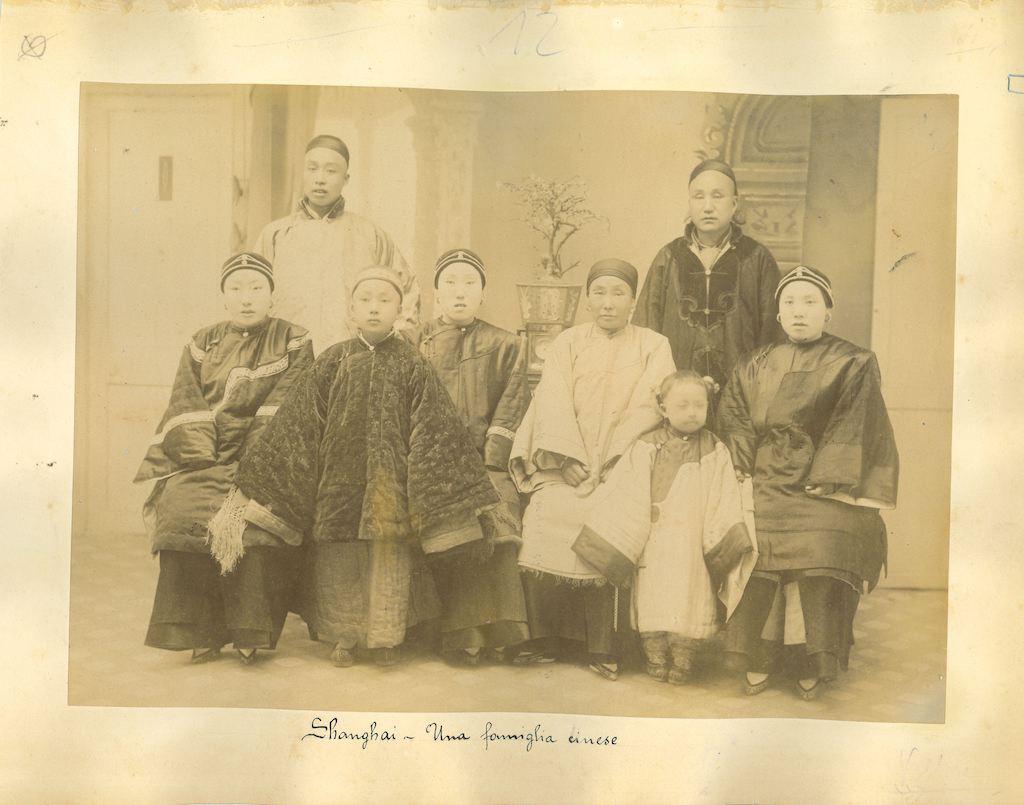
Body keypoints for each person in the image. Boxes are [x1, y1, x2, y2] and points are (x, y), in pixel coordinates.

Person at [207, 266, 499, 668]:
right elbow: (298, 424)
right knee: (340, 565)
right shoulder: (333, 360)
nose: (374, 308)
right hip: (337, 487)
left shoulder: (413, 364)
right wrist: (260, 479)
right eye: (365, 300)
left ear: (400, 308)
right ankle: (343, 637)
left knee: (387, 562)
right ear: (351, 309)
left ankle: (384, 639)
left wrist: (426, 486)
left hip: (391, 486)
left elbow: (435, 429)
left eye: (384, 300)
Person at [717, 265, 900, 700]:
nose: (799, 311)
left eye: (810, 302)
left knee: (821, 544)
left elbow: (853, 424)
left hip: (822, 485)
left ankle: (813, 655)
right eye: (790, 303)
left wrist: (828, 476)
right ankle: (758, 652)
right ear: (778, 315)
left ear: (828, 311)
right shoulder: (753, 363)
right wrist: (743, 465)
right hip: (763, 476)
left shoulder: (855, 362)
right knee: (753, 539)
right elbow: (735, 417)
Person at [134, 251, 314, 665]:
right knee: (182, 508)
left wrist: (251, 466)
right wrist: (204, 459)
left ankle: (249, 631)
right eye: (236, 288)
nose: (246, 298)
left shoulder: (294, 339)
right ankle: (198, 629)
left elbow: (289, 407)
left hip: (267, 458)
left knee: (250, 518)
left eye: (256, 288)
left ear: (273, 295)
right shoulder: (202, 342)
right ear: (223, 296)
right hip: (206, 455)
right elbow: (185, 401)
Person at [509, 259, 677, 680]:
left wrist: (615, 460)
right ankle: (546, 637)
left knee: (610, 521)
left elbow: (649, 405)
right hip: (568, 463)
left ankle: (602, 644)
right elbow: (552, 400)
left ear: (633, 301)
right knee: (546, 515)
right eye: (598, 292)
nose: (607, 303)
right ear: (586, 299)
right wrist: (565, 460)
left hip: (623, 464)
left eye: (617, 293)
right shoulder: (568, 342)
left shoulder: (653, 345)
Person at [574, 370, 757, 685]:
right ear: (663, 409)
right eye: (682, 405)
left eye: (699, 406)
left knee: (692, 593)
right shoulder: (647, 445)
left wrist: (717, 534)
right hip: (655, 537)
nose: (691, 413)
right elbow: (630, 493)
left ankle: (684, 658)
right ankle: (655, 654)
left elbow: (722, 497)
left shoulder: (716, 449)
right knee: (653, 594)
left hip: (693, 540)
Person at [415, 248, 531, 665]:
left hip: (487, 464)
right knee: (456, 522)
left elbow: (511, 409)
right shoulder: (416, 342)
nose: (459, 292)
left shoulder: (506, 345)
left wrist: (490, 462)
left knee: (495, 514)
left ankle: (502, 631)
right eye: (450, 283)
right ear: (436, 293)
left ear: (483, 294)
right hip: (428, 463)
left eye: (470, 283)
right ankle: (462, 634)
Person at [252, 134, 420, 350]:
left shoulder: (371, 235)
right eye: (312, 169)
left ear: (346, 179)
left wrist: (392, 348)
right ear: (302, 173)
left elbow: (407, 291)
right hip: (287, 360)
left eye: (331, 171)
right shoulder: (275, 234)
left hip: (351, 361)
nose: (320, 178)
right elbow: (252, 294)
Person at [632, 159, 781, 393]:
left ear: (734, 204)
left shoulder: (757, 258)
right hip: (678, 393)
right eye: (699, 197)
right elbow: (645, 328)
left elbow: (772, 334)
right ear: (689, 203)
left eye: (717, 196)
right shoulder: (669, 256)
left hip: (741, 394)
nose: (708, 206)